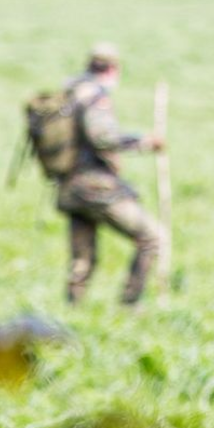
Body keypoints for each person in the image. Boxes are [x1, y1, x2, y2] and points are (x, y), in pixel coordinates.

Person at [57, 42, 165, 307]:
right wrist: (143, 142)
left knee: (82, 257)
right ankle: (130, 305)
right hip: (95, 185)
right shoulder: (94, 95)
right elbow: (102, 137)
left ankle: (73, 310)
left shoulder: (70, 92)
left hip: (69, 185)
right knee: (152, 237)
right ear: (113, 68)